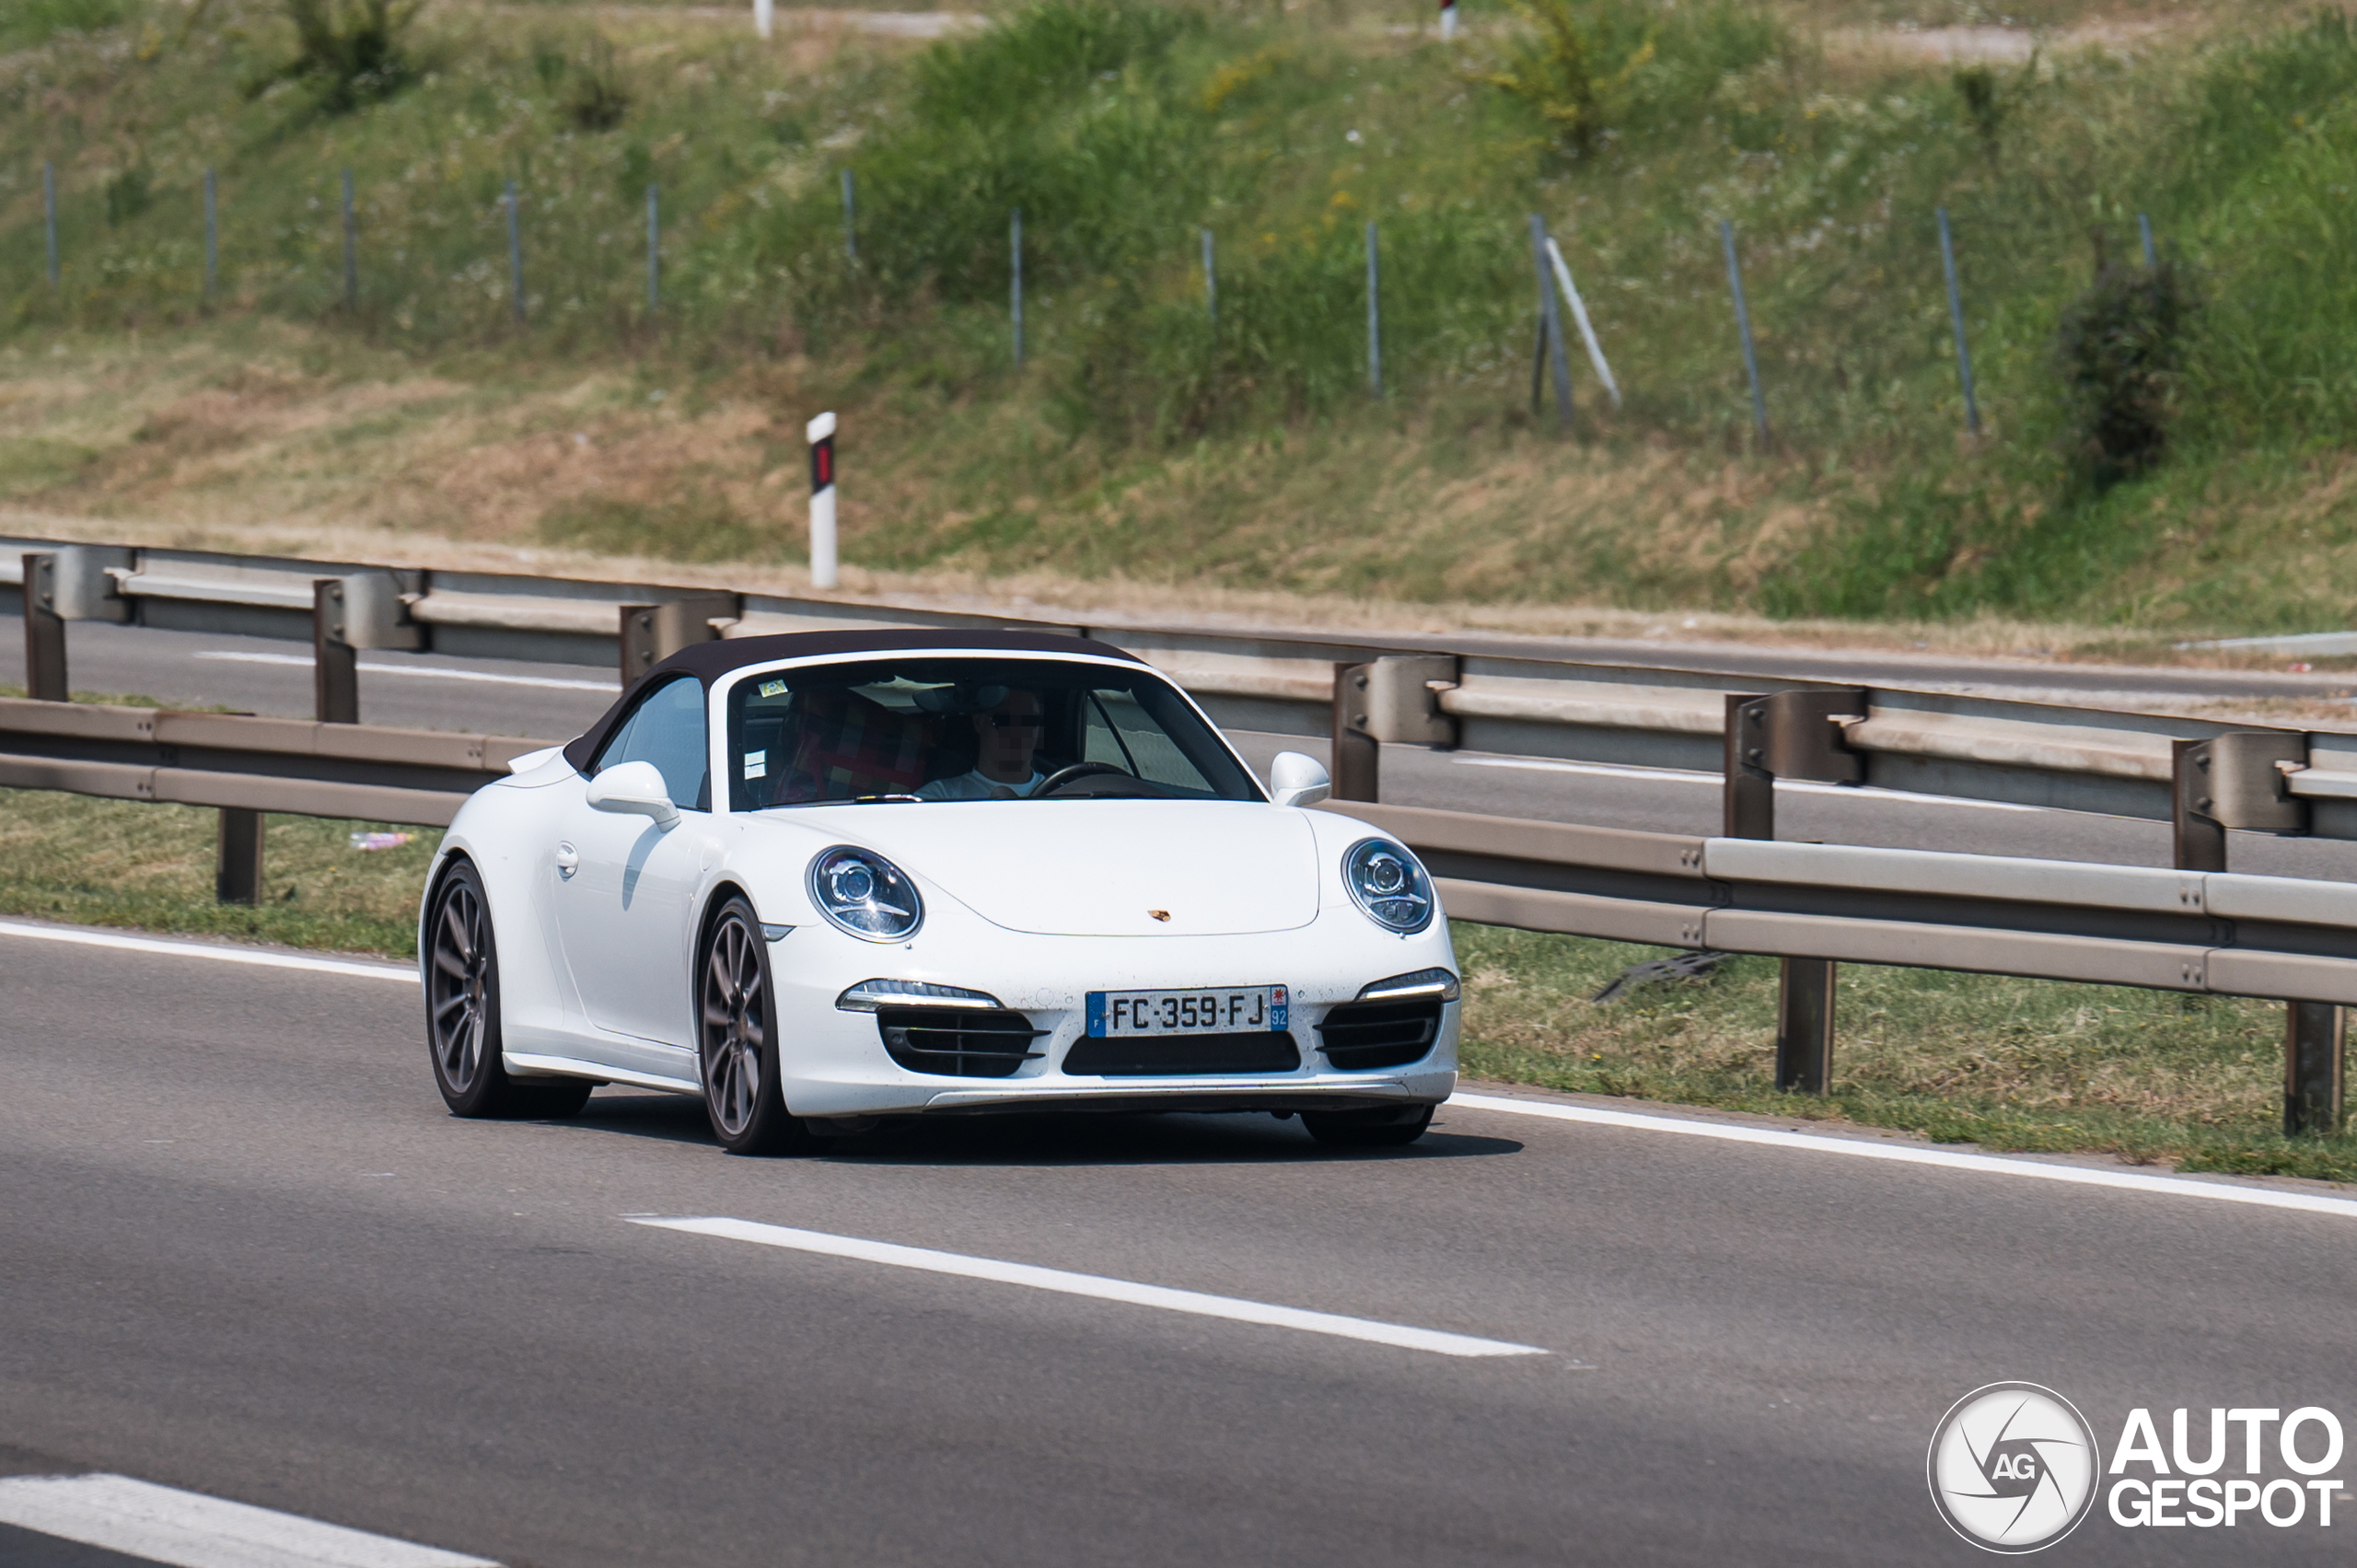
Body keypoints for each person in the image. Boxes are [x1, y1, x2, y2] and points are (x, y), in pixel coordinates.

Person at [916, 688, 1051, 800]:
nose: (1019, 731)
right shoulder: (940, 797)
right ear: (978, 722)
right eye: (1005, 721)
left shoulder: (1063, 792)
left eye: (1029, 721)